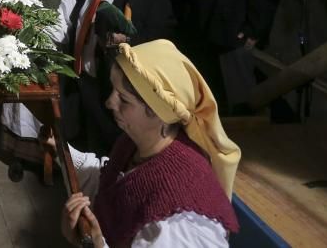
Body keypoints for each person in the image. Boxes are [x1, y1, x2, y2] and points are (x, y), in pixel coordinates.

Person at [59, 40, 240, 247]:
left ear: (159, 113)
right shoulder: (136, 143)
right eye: (113, 89)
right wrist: (61, 152)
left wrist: (93, 245)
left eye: (124, 99)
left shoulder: (180, 218)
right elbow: (116, 184)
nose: (110, 102)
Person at [66, 0, 176, 154]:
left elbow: (163, 33)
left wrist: (130, 39)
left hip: (115, 85)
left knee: (112, 144)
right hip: (85, 77)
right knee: (89, 140)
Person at [2, 0, 73, 181]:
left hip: (46, 57)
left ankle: (48, 159)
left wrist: (33, 19)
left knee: (40, 113)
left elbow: (64, 31)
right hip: (17, 55)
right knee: (17, 108)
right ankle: (18, 157)